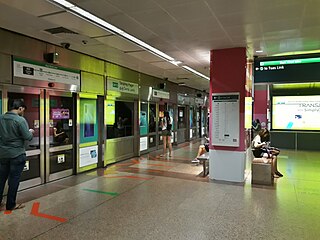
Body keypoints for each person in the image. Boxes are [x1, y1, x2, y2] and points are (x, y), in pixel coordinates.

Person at [0, 99, 34, 211]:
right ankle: (11, 205)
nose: (22, 111)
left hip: (3, 154)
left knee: (1, 179)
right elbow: (27, 137)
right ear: (20, 108)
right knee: (14, 180)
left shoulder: (1, 118)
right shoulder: (20, 120)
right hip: (17, 154)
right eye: (23, 109)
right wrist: (31, 132)